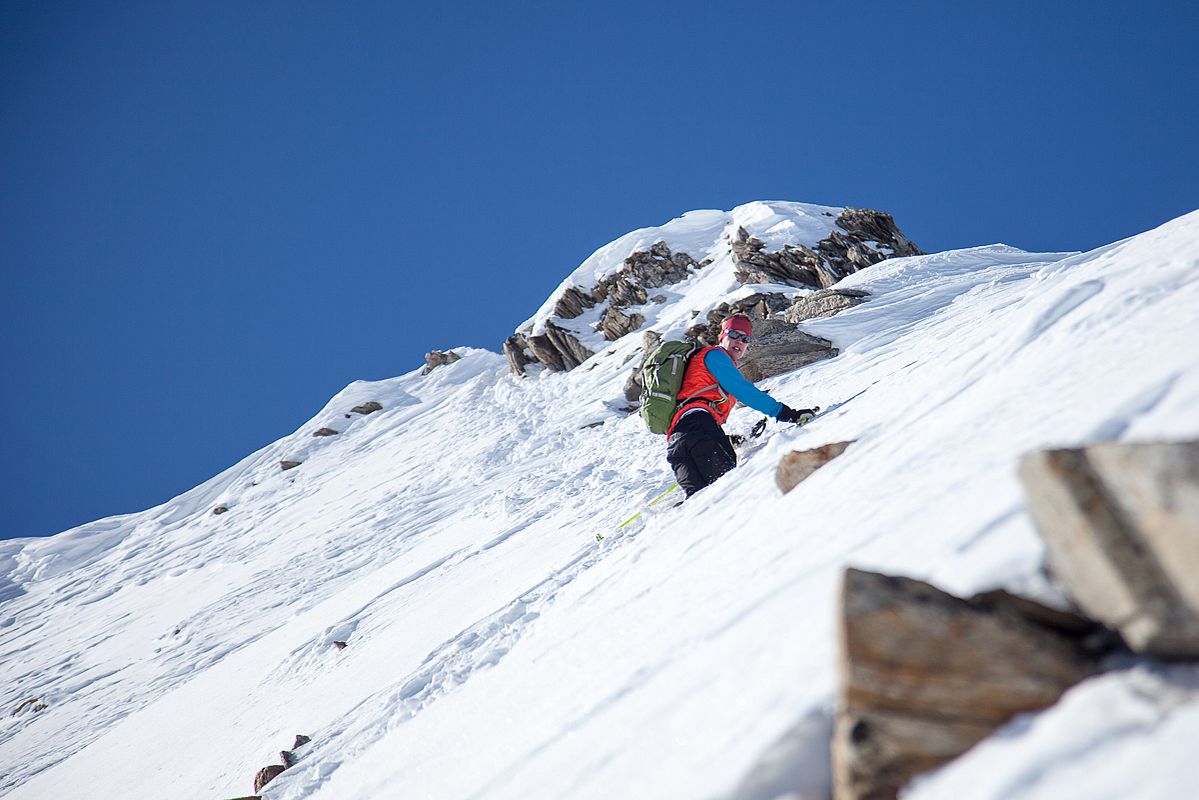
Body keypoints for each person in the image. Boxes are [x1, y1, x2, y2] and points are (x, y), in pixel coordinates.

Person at [666, 315, 816, 497]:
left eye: (745, 339)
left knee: (701, 504)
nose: (740, 341)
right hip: (700, 431)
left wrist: (725, 439)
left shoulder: (704, 363)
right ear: (722, 336)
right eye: (734, 335)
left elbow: (690, 419)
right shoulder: (715, 356)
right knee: (727, 495)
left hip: (677, 444)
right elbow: (745, 392)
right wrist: (787, 414)